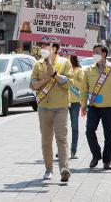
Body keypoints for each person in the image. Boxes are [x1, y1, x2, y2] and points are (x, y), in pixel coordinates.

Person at [30, 43, 74, 182]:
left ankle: (64, 169)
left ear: (54, 49)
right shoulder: (38, 64)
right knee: (46, 140)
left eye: (46, 47)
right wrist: (46, 79)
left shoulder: (65, 63)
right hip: (43, 107)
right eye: (42, 47)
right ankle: (49, 169)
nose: (43, 49)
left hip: (61, 107)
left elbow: (69, 83)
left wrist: (54, 74)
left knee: (62, 138)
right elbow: (32, 85)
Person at [81, 44, 111, 170]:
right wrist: (83, 105)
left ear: (104, 54)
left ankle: (107, 160)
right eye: (93, 52)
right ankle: (96, 155)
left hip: (110, 107)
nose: (94, 54)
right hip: (94, 107)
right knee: (89, 130)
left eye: (97, 52)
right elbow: (83, 89)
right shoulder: (89, 70)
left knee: (109, 135)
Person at [68, 55, 84, 159]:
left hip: (75, 102)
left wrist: (71, 81)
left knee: (74, 127)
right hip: (63, 100)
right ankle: (62, 150)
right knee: (61, 128)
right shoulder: (63, 69)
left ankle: (73, 151)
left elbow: (82, 85)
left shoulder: (79, 70)